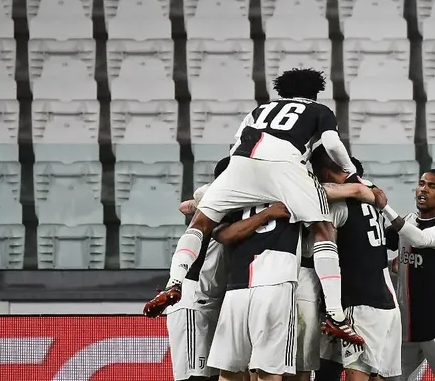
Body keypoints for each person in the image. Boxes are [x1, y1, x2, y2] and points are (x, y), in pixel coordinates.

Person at [145, 68, 364, 346]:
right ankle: (336, 315)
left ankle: (174, 282)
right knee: (323, 230)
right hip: (285, 165)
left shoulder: (259, 110)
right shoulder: (318, 109)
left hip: (241, 164)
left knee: (200, 223)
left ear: (282, 91)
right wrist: (350, 171)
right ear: (315, 92)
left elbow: (235, 144)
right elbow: (331, 143)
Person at [375, 170, 435, 381]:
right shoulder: (409, 221)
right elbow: (379, 244)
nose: (423, 189)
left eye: (432, 186)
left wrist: (385, 208)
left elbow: (420, 240)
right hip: (406, 329)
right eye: (421, 184)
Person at [313, 155, 401, 381]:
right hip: (387, 303)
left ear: (325, 170)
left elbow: (323, 245)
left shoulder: (338, 206)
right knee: (373, 375)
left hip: (359, 304)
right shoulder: (373, 199)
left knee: (357, 374)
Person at [206, 200, 297, 381]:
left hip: (237, 286)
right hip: (275, 281)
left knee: (229, 369)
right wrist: (268, 213)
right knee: (268, 369)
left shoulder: (236, 196)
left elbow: (221, 233)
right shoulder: (291, 190)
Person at [166, 157, 231, 381]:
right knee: (195, 377)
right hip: (192, 302)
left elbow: (185, 206)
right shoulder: (218, 198)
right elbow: (186, 205)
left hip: (209, 302)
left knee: (210, 376)